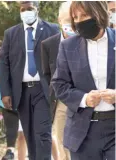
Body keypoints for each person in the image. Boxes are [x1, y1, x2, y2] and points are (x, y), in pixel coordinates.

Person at [52, 1, 115, 160]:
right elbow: (59, 85)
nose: (79, 20)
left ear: (98, 12)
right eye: (75, 17)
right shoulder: (68, 46)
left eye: (84, 15)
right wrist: (84, 99)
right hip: (83, 133)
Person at [0, 1, 60, 160]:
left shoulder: (52, 29)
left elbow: (58, 60)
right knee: (29, 135)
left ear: (37, 9)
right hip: (22, 91)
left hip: (43, 89)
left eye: (30, 9)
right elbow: (4, 64)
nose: (26, 12)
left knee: (42, 133)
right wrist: (5, 92)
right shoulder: (10, 34)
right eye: (23, 9)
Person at [41, 2, 74, 160]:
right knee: (61, 143)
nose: (71, 23)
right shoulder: (48, 45)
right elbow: (47, 74)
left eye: (74, 19)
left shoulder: (85, 40)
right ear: (60, 20)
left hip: (83, 99)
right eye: (68, 19)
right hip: (60, 101)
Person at [0, 61, 27, 160]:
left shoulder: (23, 61)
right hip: (7, 105)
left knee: (23, 136)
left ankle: (12, 153)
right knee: (12, 131)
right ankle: (10, 152)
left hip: (23, 103)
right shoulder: (0, 65)